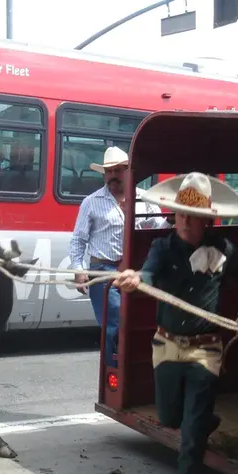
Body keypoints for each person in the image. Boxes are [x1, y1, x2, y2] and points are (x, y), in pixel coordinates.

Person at [112, 172, 238, 474]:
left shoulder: (224, 250)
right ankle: (203, 420)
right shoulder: (162, 248)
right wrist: (135, 279)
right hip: (167, 345)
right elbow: (148, 276)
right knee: (169, 418)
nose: (185, 223)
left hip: (206, 351)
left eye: (193, 217)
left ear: (206, 219)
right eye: (180, 215)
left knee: (190, 436)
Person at [68, 146, 169, 367]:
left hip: (136, 271)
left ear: (128, 171)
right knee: (115, 322)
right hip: (104, 272)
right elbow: (78, 240)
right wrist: (78, 269)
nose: (113, 176)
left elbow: (159, 227)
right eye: (109, 171)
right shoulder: (91, 202)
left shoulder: (145, 199)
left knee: (140, 321)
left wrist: (172, 218)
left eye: (118, 170)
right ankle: (115, 371)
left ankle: (133, 368)